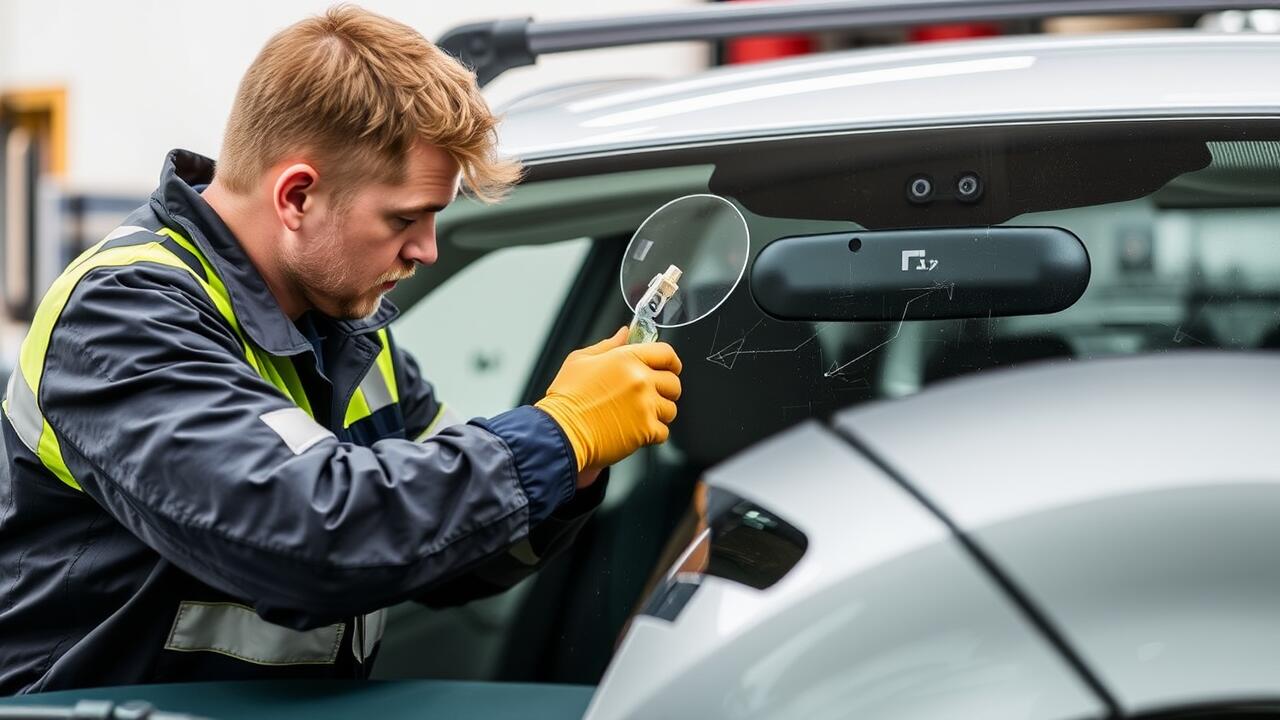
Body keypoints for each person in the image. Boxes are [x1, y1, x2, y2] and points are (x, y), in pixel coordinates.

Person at [0, 5, 682, 694]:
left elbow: (450, 547)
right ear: (297, 195)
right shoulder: (122, 314)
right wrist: (559, 433)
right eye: (405, 218)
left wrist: (578, 462)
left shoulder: (346, 329)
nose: (426, 250)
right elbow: (308, 536)